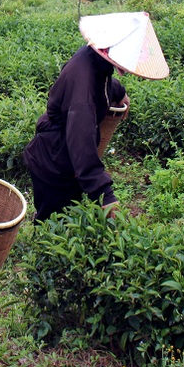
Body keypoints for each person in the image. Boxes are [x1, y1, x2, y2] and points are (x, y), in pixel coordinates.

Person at [24, 12, 169, 222]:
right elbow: (80, 141)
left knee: (70, 217)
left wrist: (119, 92)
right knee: (52, 224)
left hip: (63, 158)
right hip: (52, 163)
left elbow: (103, 82)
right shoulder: (83, 92)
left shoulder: (92, 59)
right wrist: (104, 194)